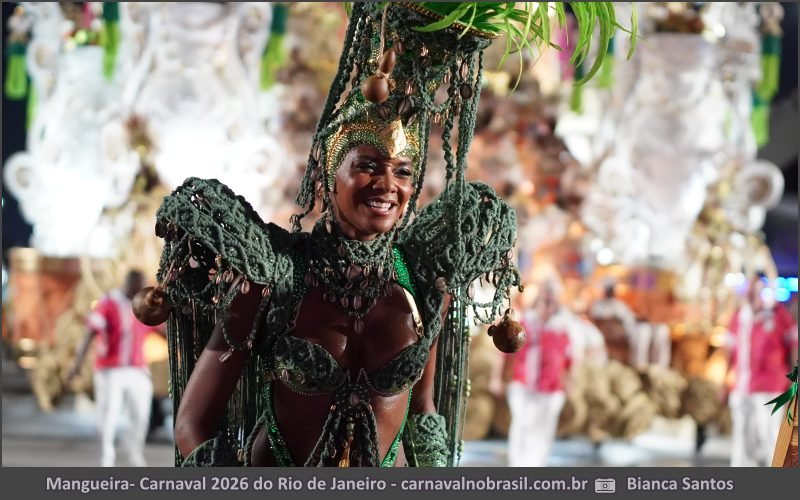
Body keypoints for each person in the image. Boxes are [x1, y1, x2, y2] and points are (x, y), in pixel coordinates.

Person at [137, 3, 631, 467]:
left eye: (402, 171)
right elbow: (194, 422)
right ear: (330, 177)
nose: (387, 185)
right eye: (368, 167)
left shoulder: (421, 279)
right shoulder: (274, 278)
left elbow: (423, 415)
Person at [68, 270, 155, 467]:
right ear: (127, 283)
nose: (138, 291)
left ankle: (134, 451)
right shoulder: (108, 302)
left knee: (141, 415)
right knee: (108, 416)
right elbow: (90, 332)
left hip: (137, 369)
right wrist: (77, 364)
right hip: (110, 370)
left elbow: (159, 329)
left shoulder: (143, 304)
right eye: (135, 287)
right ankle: (106, 458)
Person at [491, 281, 572, 466]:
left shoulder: (562, 328)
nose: (548, 306)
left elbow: (569, 360)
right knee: (522, 424)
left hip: (551, 388)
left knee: (544, 428)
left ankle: (536, 464)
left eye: (552, 302)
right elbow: (504, 352)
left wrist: (569, 383)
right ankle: (518, 464)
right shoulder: (524, 323)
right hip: (523, 384)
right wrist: (496, 378)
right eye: (545, 301)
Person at [726, 273, 798, 467]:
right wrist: (724, 382)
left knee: (770, 435)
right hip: (742, 387)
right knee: (742, 439)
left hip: (771, 387)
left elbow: (793, 346)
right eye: (750, 288)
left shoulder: (779, 315)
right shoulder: (739, 317)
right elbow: (729, 351)